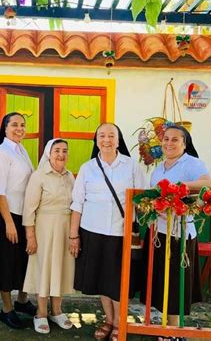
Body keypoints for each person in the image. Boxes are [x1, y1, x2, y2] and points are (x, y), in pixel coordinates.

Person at [69, 123, 148, 341]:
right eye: (101, 136)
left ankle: (120, 323)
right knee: (102, 280)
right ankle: (109, 320)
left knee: (119, 281)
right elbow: (77, 204)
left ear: (118, 140)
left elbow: (143, 200)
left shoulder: (131, 166)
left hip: (120, 234)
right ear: (96, 141)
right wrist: (73, 236)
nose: (106, 140)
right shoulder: (88, 168)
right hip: (92, 232)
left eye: (111, 135)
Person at [139, 124, 211, 339]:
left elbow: (210, 184)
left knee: (174, 283)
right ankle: (165, 324)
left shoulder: (191, 163)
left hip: (179, 234)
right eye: (166, 139)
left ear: (184, 143)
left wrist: (179, 186)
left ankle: (172, 331)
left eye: (175, 140)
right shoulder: (159, 167)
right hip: (158, 232)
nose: (169, 143)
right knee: (160, 280)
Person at [0, 112, 37, 329]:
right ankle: (6, 309)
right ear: (4, 128)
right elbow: (0, 191)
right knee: (4, 263)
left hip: (22, 215)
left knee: (23, 260)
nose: (19, 128)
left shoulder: (21, 150)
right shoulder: (0, 153)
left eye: (22, 125)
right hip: (4, 215)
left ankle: (22, 301)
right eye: (14, 125)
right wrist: (9, 222)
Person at [22, 139, 75, 334]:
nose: (61, 154)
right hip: (43, 228)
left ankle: (57, 311)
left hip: (65, 227)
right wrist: (30, 237)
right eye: (57, 151)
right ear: (48, 154)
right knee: (43, 269)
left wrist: (73, 234)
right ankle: (41, 313)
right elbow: (29, 209)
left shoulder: (70, 177)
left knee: (60, 268)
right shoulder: (39, 176)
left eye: (64, 150)